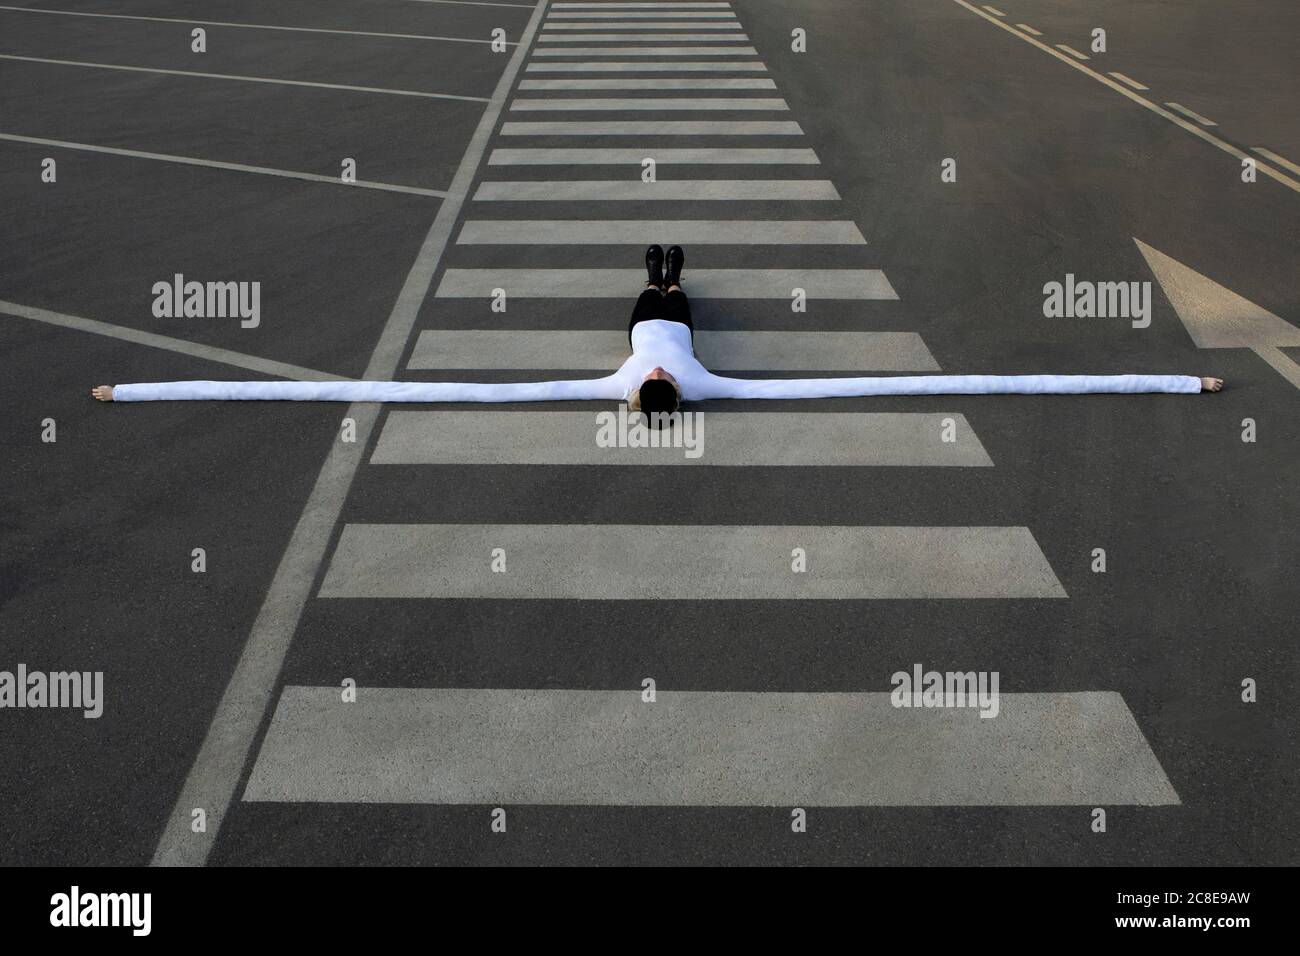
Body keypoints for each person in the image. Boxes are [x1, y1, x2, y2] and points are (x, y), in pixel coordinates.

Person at [92, 245, 1224, 408]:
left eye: (650, 392)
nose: (653, 391)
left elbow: (407, 393)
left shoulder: (607, 385)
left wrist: (125, 392)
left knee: (652, 298)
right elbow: (979, 386)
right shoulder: (714, 390)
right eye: (656, 391)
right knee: (678, 301)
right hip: (675, 319)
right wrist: (1178, 385)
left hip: (639, 316)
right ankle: (669, 270)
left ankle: (656, 269)